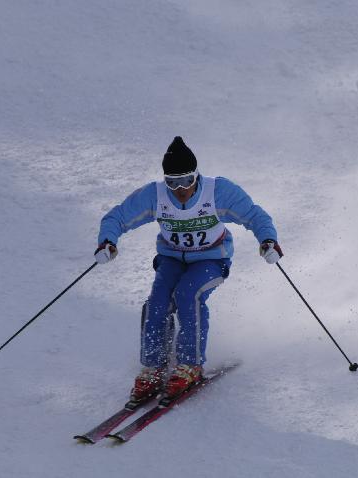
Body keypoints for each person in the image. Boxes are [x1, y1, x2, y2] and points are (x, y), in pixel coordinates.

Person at [94, 136, 283, 402]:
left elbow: (254, 215)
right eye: (173, 182)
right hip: (172, 259)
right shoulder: (155, 195)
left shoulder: (217, 192)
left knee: (188, 294)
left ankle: (190, 364)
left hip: (211, 259)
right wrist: (108, 241)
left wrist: (268, 240)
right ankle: (154, 366)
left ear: (196, 175)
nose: (180, 189)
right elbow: (118, 217)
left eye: (186, 180)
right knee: (157, 303)